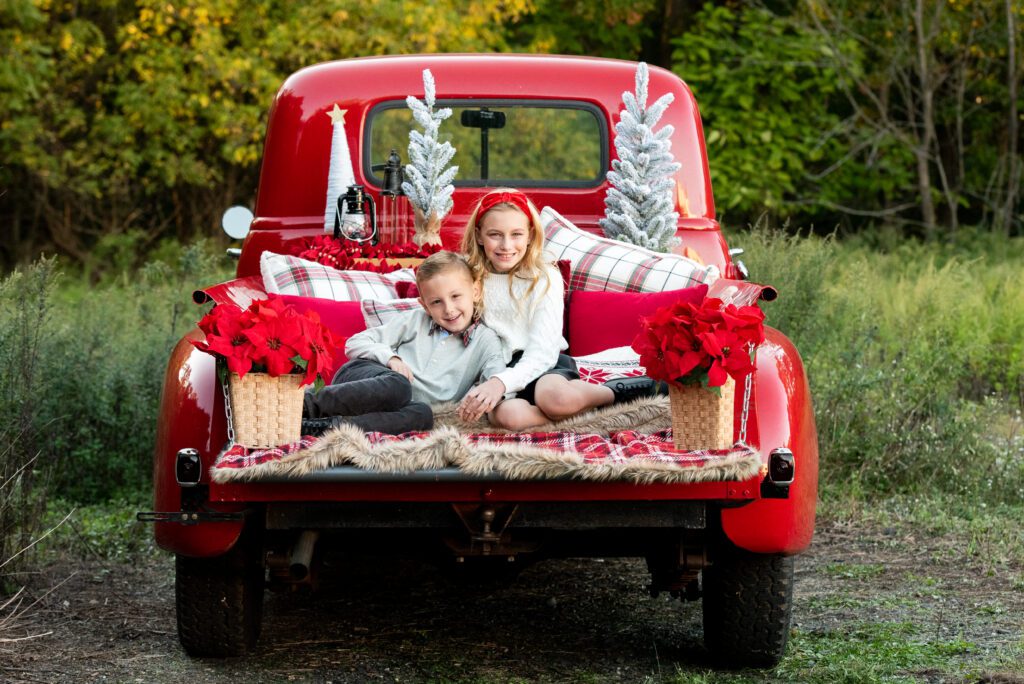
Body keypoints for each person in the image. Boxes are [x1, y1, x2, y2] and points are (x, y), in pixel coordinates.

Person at [457, 188, 656, 430]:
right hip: (495, 369)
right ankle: (586, 420)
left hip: (543, 365)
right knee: (508, 418)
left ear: (530, 235)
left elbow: (543, 351)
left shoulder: (543, 276)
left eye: (516, 234)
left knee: (556, 400)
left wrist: (501, 382)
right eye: (495, 235)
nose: (506, 245)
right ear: (479, 236)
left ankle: (612, 393)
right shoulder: (467, 275)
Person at [302, 251, 507, 436]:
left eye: (455, 296)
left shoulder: (485, 340)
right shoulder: (415, 321)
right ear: (424, 305)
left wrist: (491, 389)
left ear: (476, 292)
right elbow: (356, 342)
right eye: (437, 302)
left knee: (423, 415)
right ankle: (306, 405)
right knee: (400, 385)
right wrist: (391, 358)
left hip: (400, 406)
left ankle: (328, 427)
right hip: (364, 378)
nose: (449, 309)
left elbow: (497, 379)